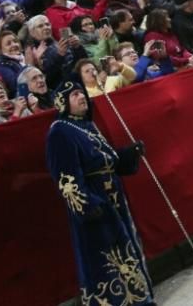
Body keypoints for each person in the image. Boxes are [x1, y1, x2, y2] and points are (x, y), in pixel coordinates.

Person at [45, 81, 154, 305]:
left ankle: (139, 300)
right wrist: (86, 205)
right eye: (75, 95)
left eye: (82, 93)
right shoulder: (59, 131)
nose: (82, 97)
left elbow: (108, 161)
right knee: (106, 258)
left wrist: (129, 154)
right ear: (63, 102)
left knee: (125, 249)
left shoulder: (86, 125)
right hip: (95, 204)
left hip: (114, 198)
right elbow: (65, 177)